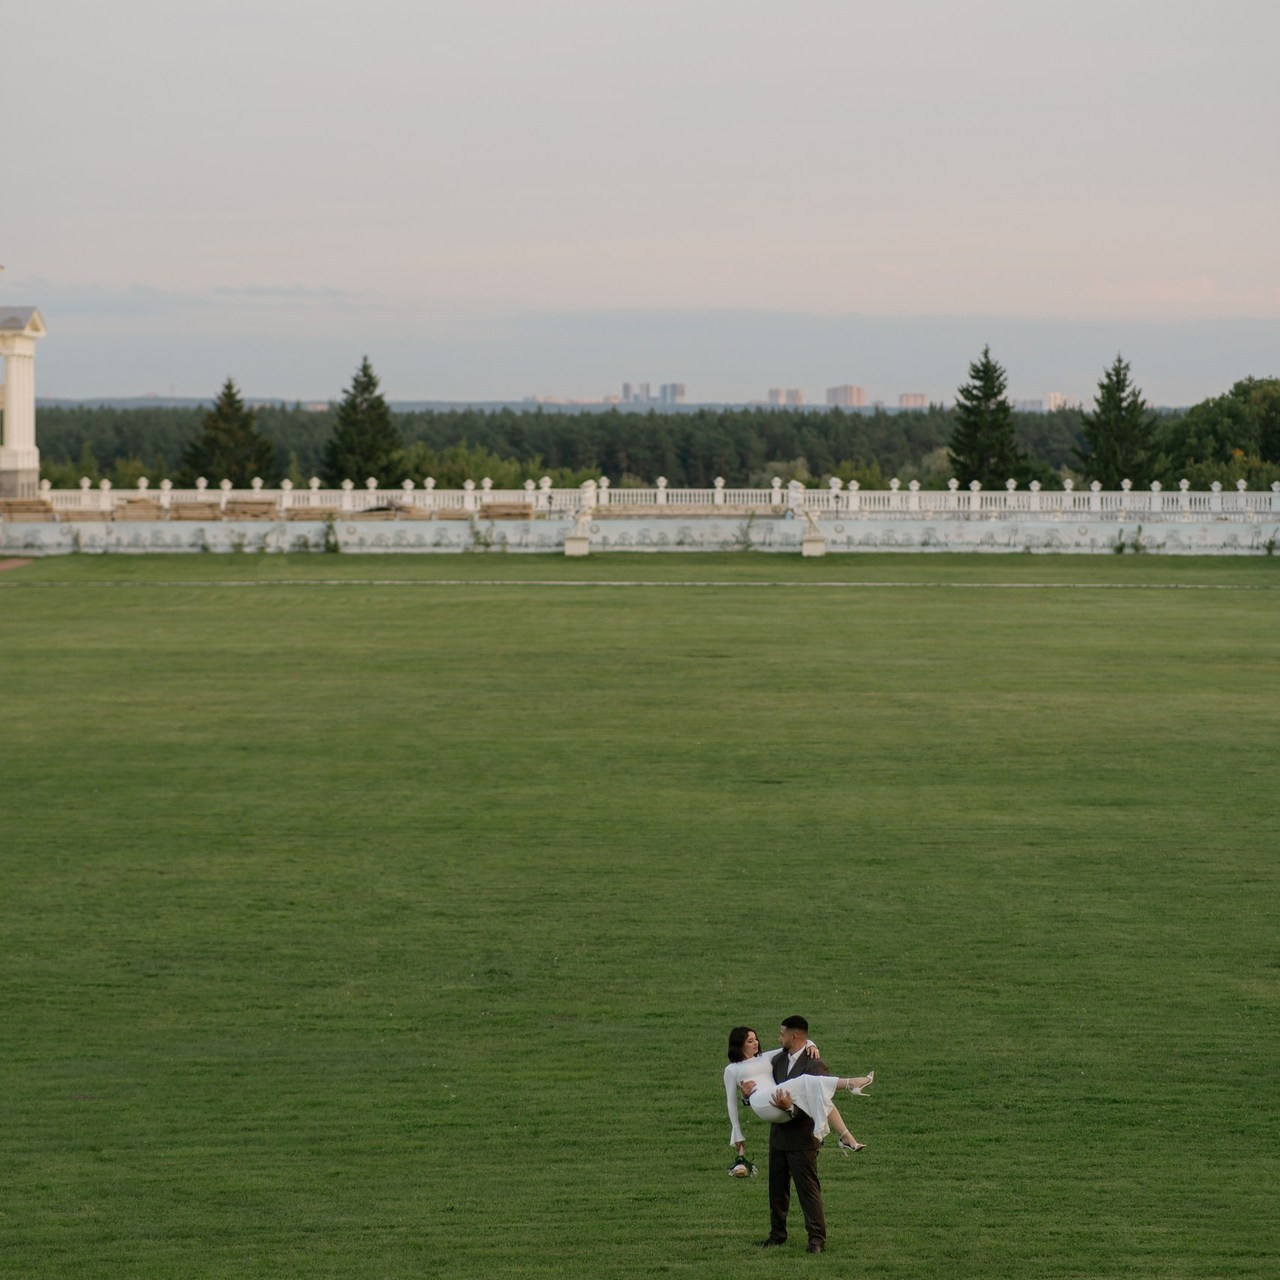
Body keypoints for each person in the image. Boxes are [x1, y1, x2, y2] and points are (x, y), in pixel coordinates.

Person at [757, 1015, 871, 1253]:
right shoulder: (777, 1060)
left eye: (782, 1034)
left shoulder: (814, 1065)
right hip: (778, 1138)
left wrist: (789, 1108)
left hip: (802, 1139)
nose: (779, 1038)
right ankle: (777, 1235)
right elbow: (762, 1087)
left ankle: (816, 1240)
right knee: (777, 1191)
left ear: (794, 1036)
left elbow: (818, 1107)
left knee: (808, 1192)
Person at [723, 1025, 872, 1154]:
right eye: (750, 1041)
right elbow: (731, 1102)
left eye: (756, 1039)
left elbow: (796, 1045)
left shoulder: (765, 1057)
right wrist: (737, 1132)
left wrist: (811, 1044)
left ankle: (847, 1137)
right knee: (805, 1081)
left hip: (781, 1101)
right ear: (739, 1045)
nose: (756, 1043)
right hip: (762, 1102)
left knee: (819, 1094)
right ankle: (850, 1083)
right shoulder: (732, 1069)